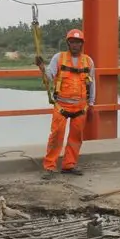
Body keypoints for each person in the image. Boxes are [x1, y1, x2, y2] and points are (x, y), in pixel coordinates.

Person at [37, 29, 95, 178]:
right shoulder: (59, 58)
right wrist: (42, 68)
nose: (75, 45)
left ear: (82, 44)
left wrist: (92, 104)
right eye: (73, 42)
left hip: (81, 107)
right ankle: (49, 167)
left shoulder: (88, 61)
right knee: (56, 136)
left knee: (76, 138)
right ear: (68, 43)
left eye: (78, 42)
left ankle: (69, 165)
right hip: (61, 106)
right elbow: (49, 76)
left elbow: (92, 84)